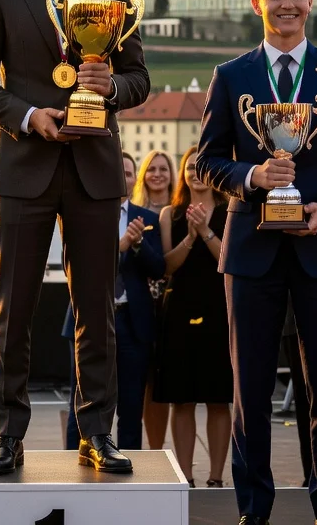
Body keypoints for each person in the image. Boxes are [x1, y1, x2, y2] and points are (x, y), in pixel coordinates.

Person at [0, 0, 149, 476]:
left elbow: (140, 81)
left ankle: (96, 431)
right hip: (24, 167)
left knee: (98, 309)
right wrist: (26, 115)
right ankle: (7, 435)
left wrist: (111, 86)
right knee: (12, 311)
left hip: (95, 169)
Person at [196, 0, 317, 525]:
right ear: (257, 4)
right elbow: (208, 160)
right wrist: (252, 178)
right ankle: (254, 509)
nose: (288, 4)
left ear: (311, 1)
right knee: (249, 390)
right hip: (250, 250)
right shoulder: (231, 76)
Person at [62, 152, 166, 453]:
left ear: (135, 180)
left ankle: (128, 474)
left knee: (131, 408)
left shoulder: (147, 219)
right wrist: (118, 248)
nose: (123, 178)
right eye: (117, 171)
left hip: (132, 322)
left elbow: (158, 268)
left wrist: (137, 245)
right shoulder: (81, 213)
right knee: (81, 404)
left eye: (129, 173)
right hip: (88, 320)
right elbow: (73, 265)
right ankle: (74, 467)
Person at [154, 146, 229, 485]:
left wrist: (207, 233)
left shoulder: (231, 211)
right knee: (181, 399)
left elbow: (230, 262)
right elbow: (166, 267)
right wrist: (190, 237)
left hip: (219, 308)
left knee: (217, 398)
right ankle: (185, 476)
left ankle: (215, 477)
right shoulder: (171, 213)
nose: (195, 173)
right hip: (180, 307)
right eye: (188, 167)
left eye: (201, 167)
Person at [129, 150, 174, 450]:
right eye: (151, 169)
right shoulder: (134, 212)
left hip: (171, 305)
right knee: (141, 382)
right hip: (140, 304)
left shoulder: (179, 210)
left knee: (163, 383)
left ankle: (157, 449)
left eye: (163, 169)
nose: (157, 174)